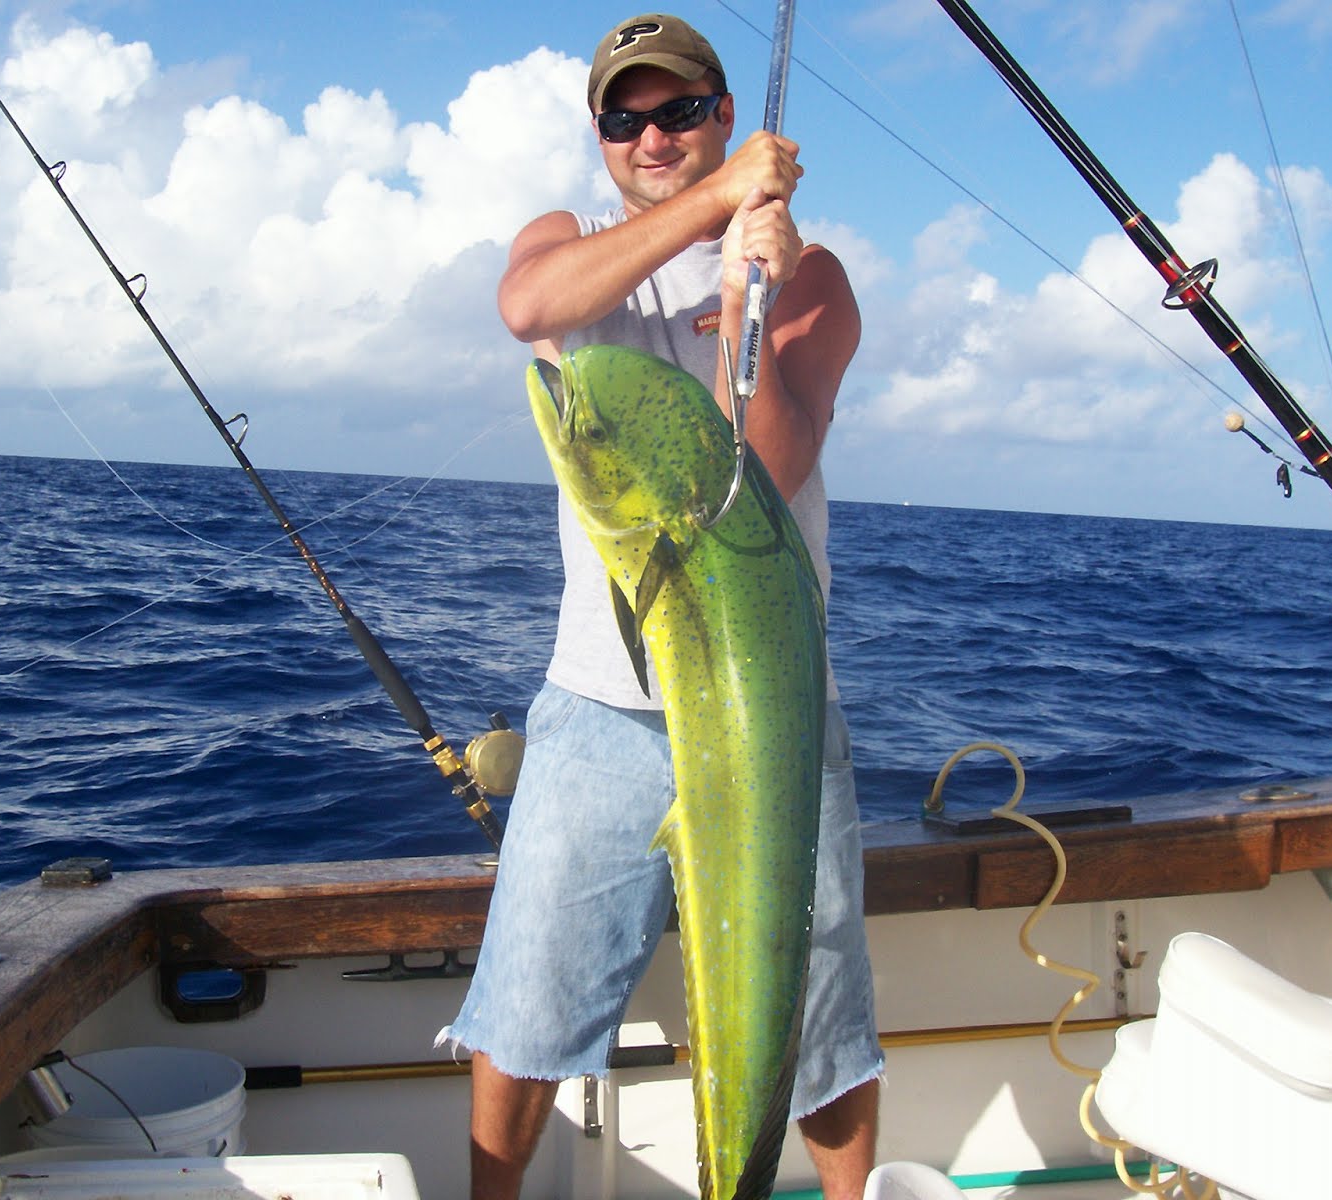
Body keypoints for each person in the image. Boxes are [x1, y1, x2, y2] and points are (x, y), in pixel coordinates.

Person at [440, 13, 882, 1199]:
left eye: (681, 111)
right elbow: (531, 310)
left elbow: (776, 470)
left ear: (723, 114)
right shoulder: (570, 241)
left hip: (773, 709)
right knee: (529, 993)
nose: (652, 134)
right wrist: (712, 206)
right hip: (600, 699)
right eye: (625, 117)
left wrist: (747, 313)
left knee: (820, 1003)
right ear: (599, 135)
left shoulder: (815, 276)